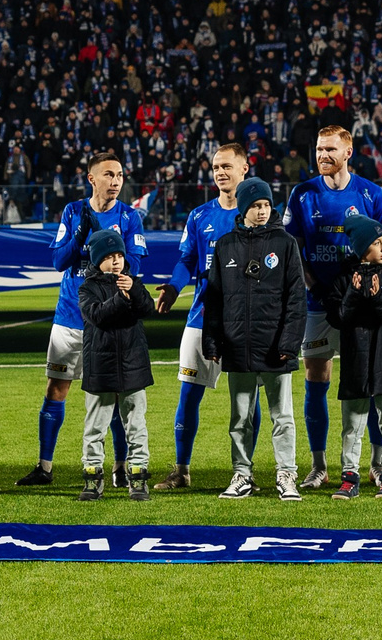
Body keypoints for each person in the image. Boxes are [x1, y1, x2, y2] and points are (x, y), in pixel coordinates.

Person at [23, 154, 147, 486]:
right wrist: (80, 235)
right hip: (70, 317)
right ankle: (44, 467)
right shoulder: (73, 211)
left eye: (119, 174)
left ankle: (119, 468)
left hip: (109, 320)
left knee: (115, 393)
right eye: (108, 174)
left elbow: (135, 264)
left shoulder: (129, 216)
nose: (116, 180)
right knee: (56, 388)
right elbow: (58, 261)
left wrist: (105, 248)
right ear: (91, 179)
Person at [285, 123, 382, 489]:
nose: (323, 155)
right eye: (319, 149)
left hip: (361, 305)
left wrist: (368, 289)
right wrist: (313, 286)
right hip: (317, 304)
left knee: (367, 381)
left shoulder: (372, 193)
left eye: (330, 149)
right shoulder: (302, 194)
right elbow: (294, 250)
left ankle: (377, 463)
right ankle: (319, 465)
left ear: (348, 152)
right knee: (316, 380)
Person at [201, 177, 306, 500]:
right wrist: (212, 341)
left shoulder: (285, 243)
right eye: (256, 205)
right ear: (243, 207)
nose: (262, 211)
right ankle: (242, 474)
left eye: (266, 205)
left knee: (282, 417)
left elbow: (296, 298)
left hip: (276, 347)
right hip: (238, 345)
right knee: (240, 418)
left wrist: (289, 343)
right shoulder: (225, 245)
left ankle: (286, 474)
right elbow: (214, 299)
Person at [158, 144, 247, 489]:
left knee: (245, 401)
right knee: (189, 394)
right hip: (202, 317)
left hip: (244, 320)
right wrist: (174, 287)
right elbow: (187, 260)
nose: (220, 173)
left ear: (243, 168)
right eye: (216, 168)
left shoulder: (257, 213)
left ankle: (244, 472)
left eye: (227, 166)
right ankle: (181, 470)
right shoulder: (199, 216)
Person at [329, 213, 382, 499]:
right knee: (352, 424)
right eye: (376, 243)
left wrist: (380, 298)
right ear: (361, 247)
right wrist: (353, 295)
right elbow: (337, 317)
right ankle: (349, 477)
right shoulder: (344, 277)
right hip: (355, 359)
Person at [74, 227, 156, 501]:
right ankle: (92, 477)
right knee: (95, 426)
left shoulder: (133, 282)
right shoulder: (88, 288)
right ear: (97, 260)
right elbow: (97, 316)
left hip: (133, 364)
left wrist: (134, 291)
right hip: (101, 365)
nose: (116, 261)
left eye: (119, 255)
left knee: (136, 425)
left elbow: (148, 309)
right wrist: (122, 298)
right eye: (109, 256)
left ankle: (138, 476)